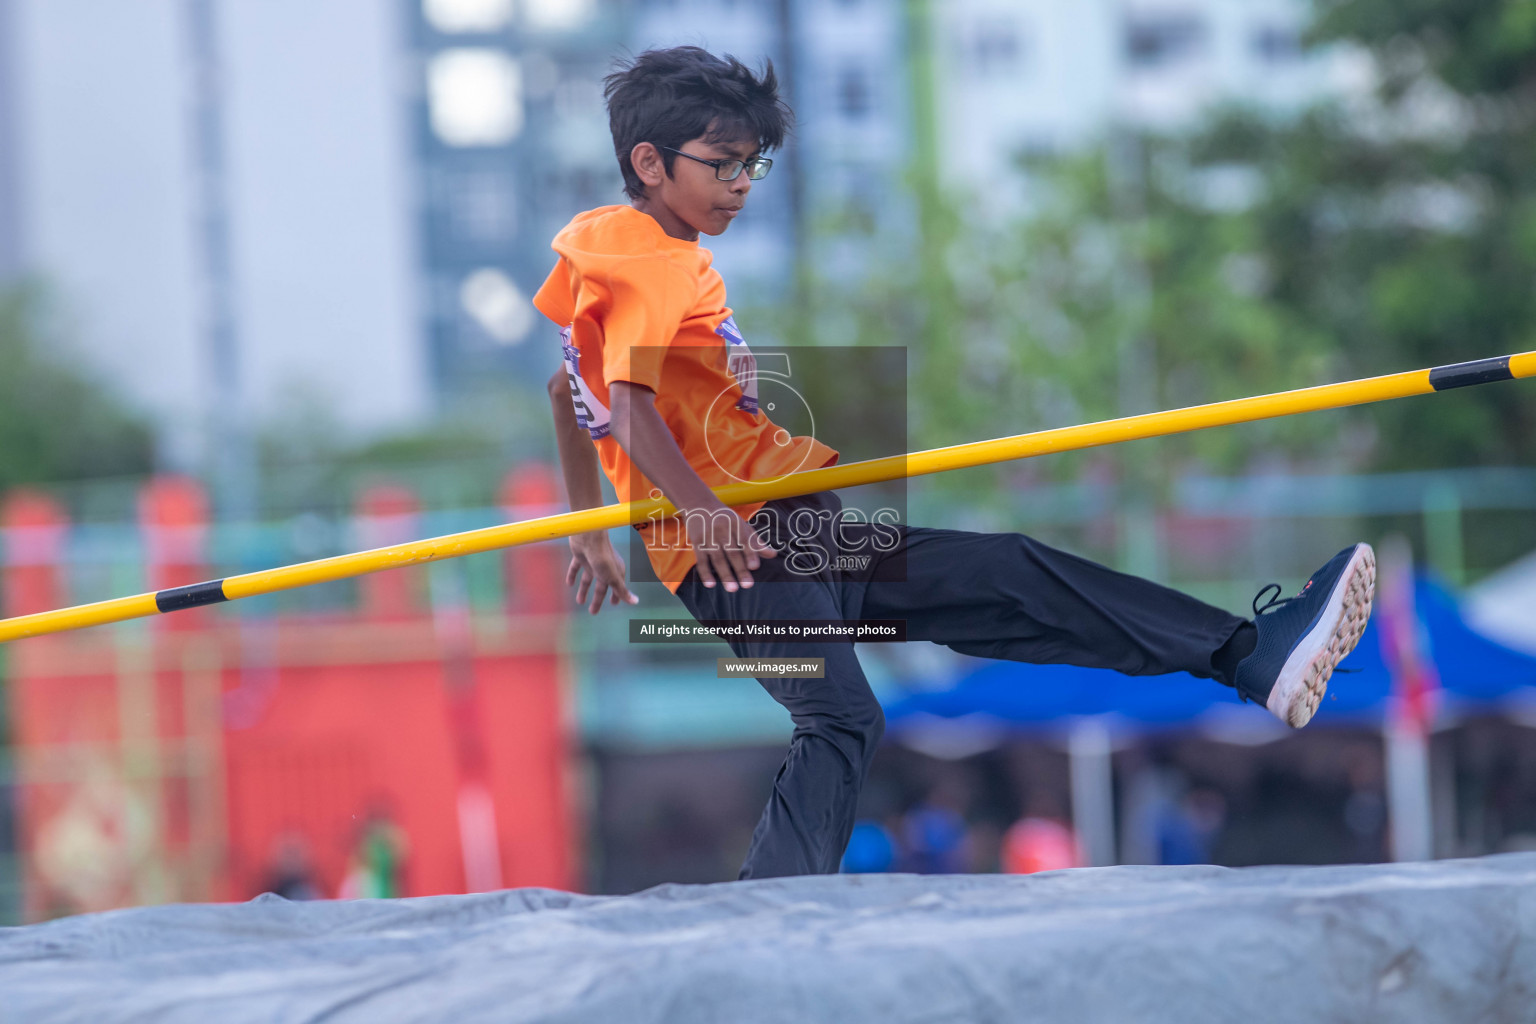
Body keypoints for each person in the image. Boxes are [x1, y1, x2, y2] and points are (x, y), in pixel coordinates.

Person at [535, 46, 1376, 881]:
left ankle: (1245, 654)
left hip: (797, 530)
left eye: (753, 164)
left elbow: (568, 390)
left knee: (1010, 577)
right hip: (742, 548)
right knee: (840, 720)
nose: (743, 183)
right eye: (722, 165)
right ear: (648, 163)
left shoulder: (625, 261)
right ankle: (767, 915)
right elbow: (627, 401)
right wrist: (698, 509)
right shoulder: (643, 256)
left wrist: (591, 536)